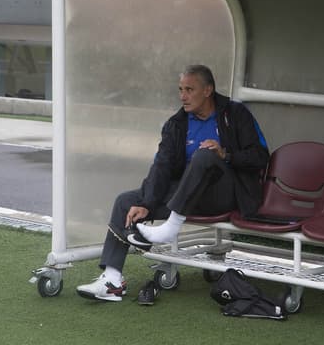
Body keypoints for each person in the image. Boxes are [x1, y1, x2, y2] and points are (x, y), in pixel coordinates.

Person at [76, 64, 269, 302]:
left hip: (224, 195)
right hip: (188, 197)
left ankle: (170, 226)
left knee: (205, 154)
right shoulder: (177, 124)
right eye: (180, 89)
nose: (182, 96)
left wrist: (225, 155)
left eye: (189, 89)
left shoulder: (236, 114)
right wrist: (147, 203)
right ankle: (112, 280)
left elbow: (260, 157)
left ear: (208, 90)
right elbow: (162, 166)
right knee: (126, 201)